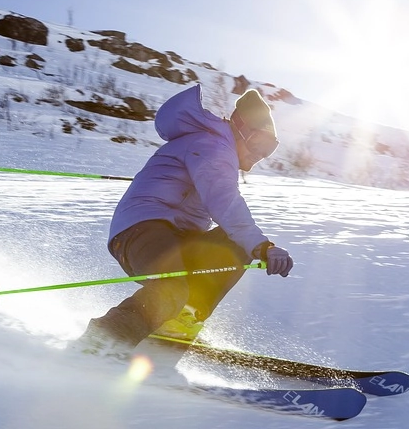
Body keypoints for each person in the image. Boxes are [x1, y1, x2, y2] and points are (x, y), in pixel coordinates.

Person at [74, 84, 293, 356]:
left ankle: (177, 323)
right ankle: (102, 343)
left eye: (269, 150)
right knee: (173, 286)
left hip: (175, 236)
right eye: (260, 144)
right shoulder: (212, 144)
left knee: (232, 243)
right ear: (241, 128)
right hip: (141, 231)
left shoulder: (215, 147)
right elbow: (224, 200)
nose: (258, 157)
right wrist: (262, 245)